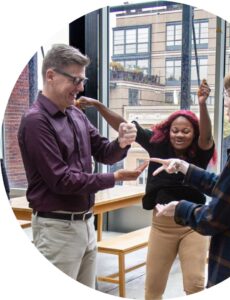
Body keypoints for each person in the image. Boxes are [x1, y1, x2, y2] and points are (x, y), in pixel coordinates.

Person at [17, 44, 147, 289]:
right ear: (51, 76)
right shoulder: (36, 121)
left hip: (86, 224)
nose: (81, 87)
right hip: (56, 230)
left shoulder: (76, 115)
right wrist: (114, 177)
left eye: (82, 79)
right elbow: (62, 181)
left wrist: (122, 141)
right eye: (75, 80)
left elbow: (105, 152)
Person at [76, 79, 216, 299]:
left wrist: (202, 104)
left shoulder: (200, 150)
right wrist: (98, 105)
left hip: (193, 225)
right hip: (161, 227)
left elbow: (207, 136)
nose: (179, 135)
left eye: (186, 132)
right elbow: (125, 127)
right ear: (169, 131)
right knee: (152, 289)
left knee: (195, 285)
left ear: (194, 134)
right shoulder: (157, 143)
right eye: (175, 130)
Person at [151, 62, 230, 288]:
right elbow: (228, 190)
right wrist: (185, 167)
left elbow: (214, 219)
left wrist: (179, 208)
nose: (226, 101)